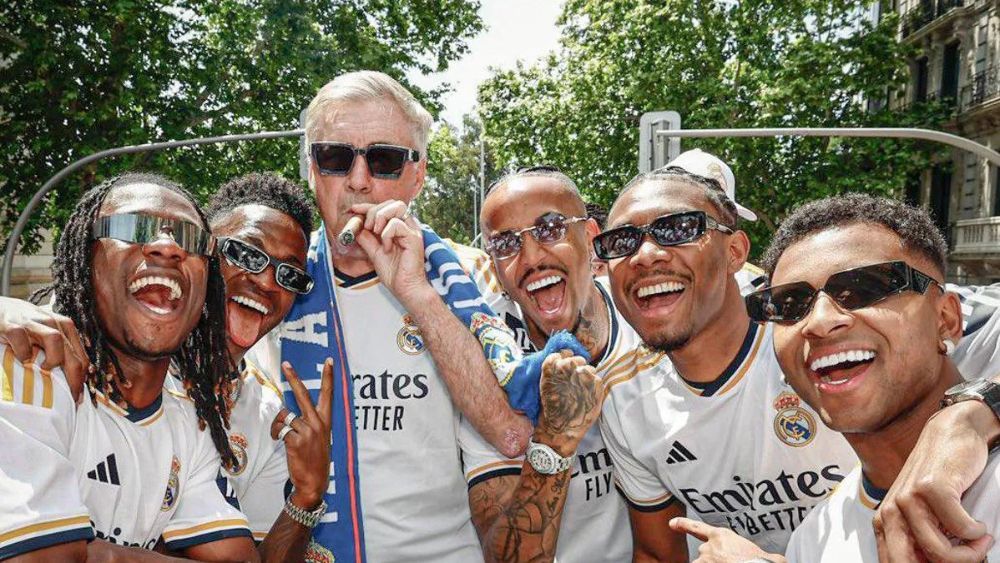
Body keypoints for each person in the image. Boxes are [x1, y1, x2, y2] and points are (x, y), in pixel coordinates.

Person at [245, 70, 534, 562]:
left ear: (417, 174)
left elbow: (511, 435)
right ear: (311, 170)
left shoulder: (474, 278)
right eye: (335, 158)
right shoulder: (272, 287)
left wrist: (416, 292)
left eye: (383, 160)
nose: (359, 182)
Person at [596, 165, 861, 559]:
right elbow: (657, 554)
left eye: (678, 229)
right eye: (621, 241)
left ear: (735, 252)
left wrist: (970, 414)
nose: (646, 255)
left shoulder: (824, 341)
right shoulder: (623, 401)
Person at [718, 194, 1000, 562]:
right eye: (788, 306)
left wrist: (974, 412)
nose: (818, 322)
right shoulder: (816, 539)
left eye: (863, 288)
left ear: (945, 319)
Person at [0, 173, 256, 561]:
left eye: (190, 240)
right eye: (132, 226)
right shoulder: (28, 364)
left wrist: (98, 553)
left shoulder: (191, 414)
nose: (168, 246)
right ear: (85, 261)